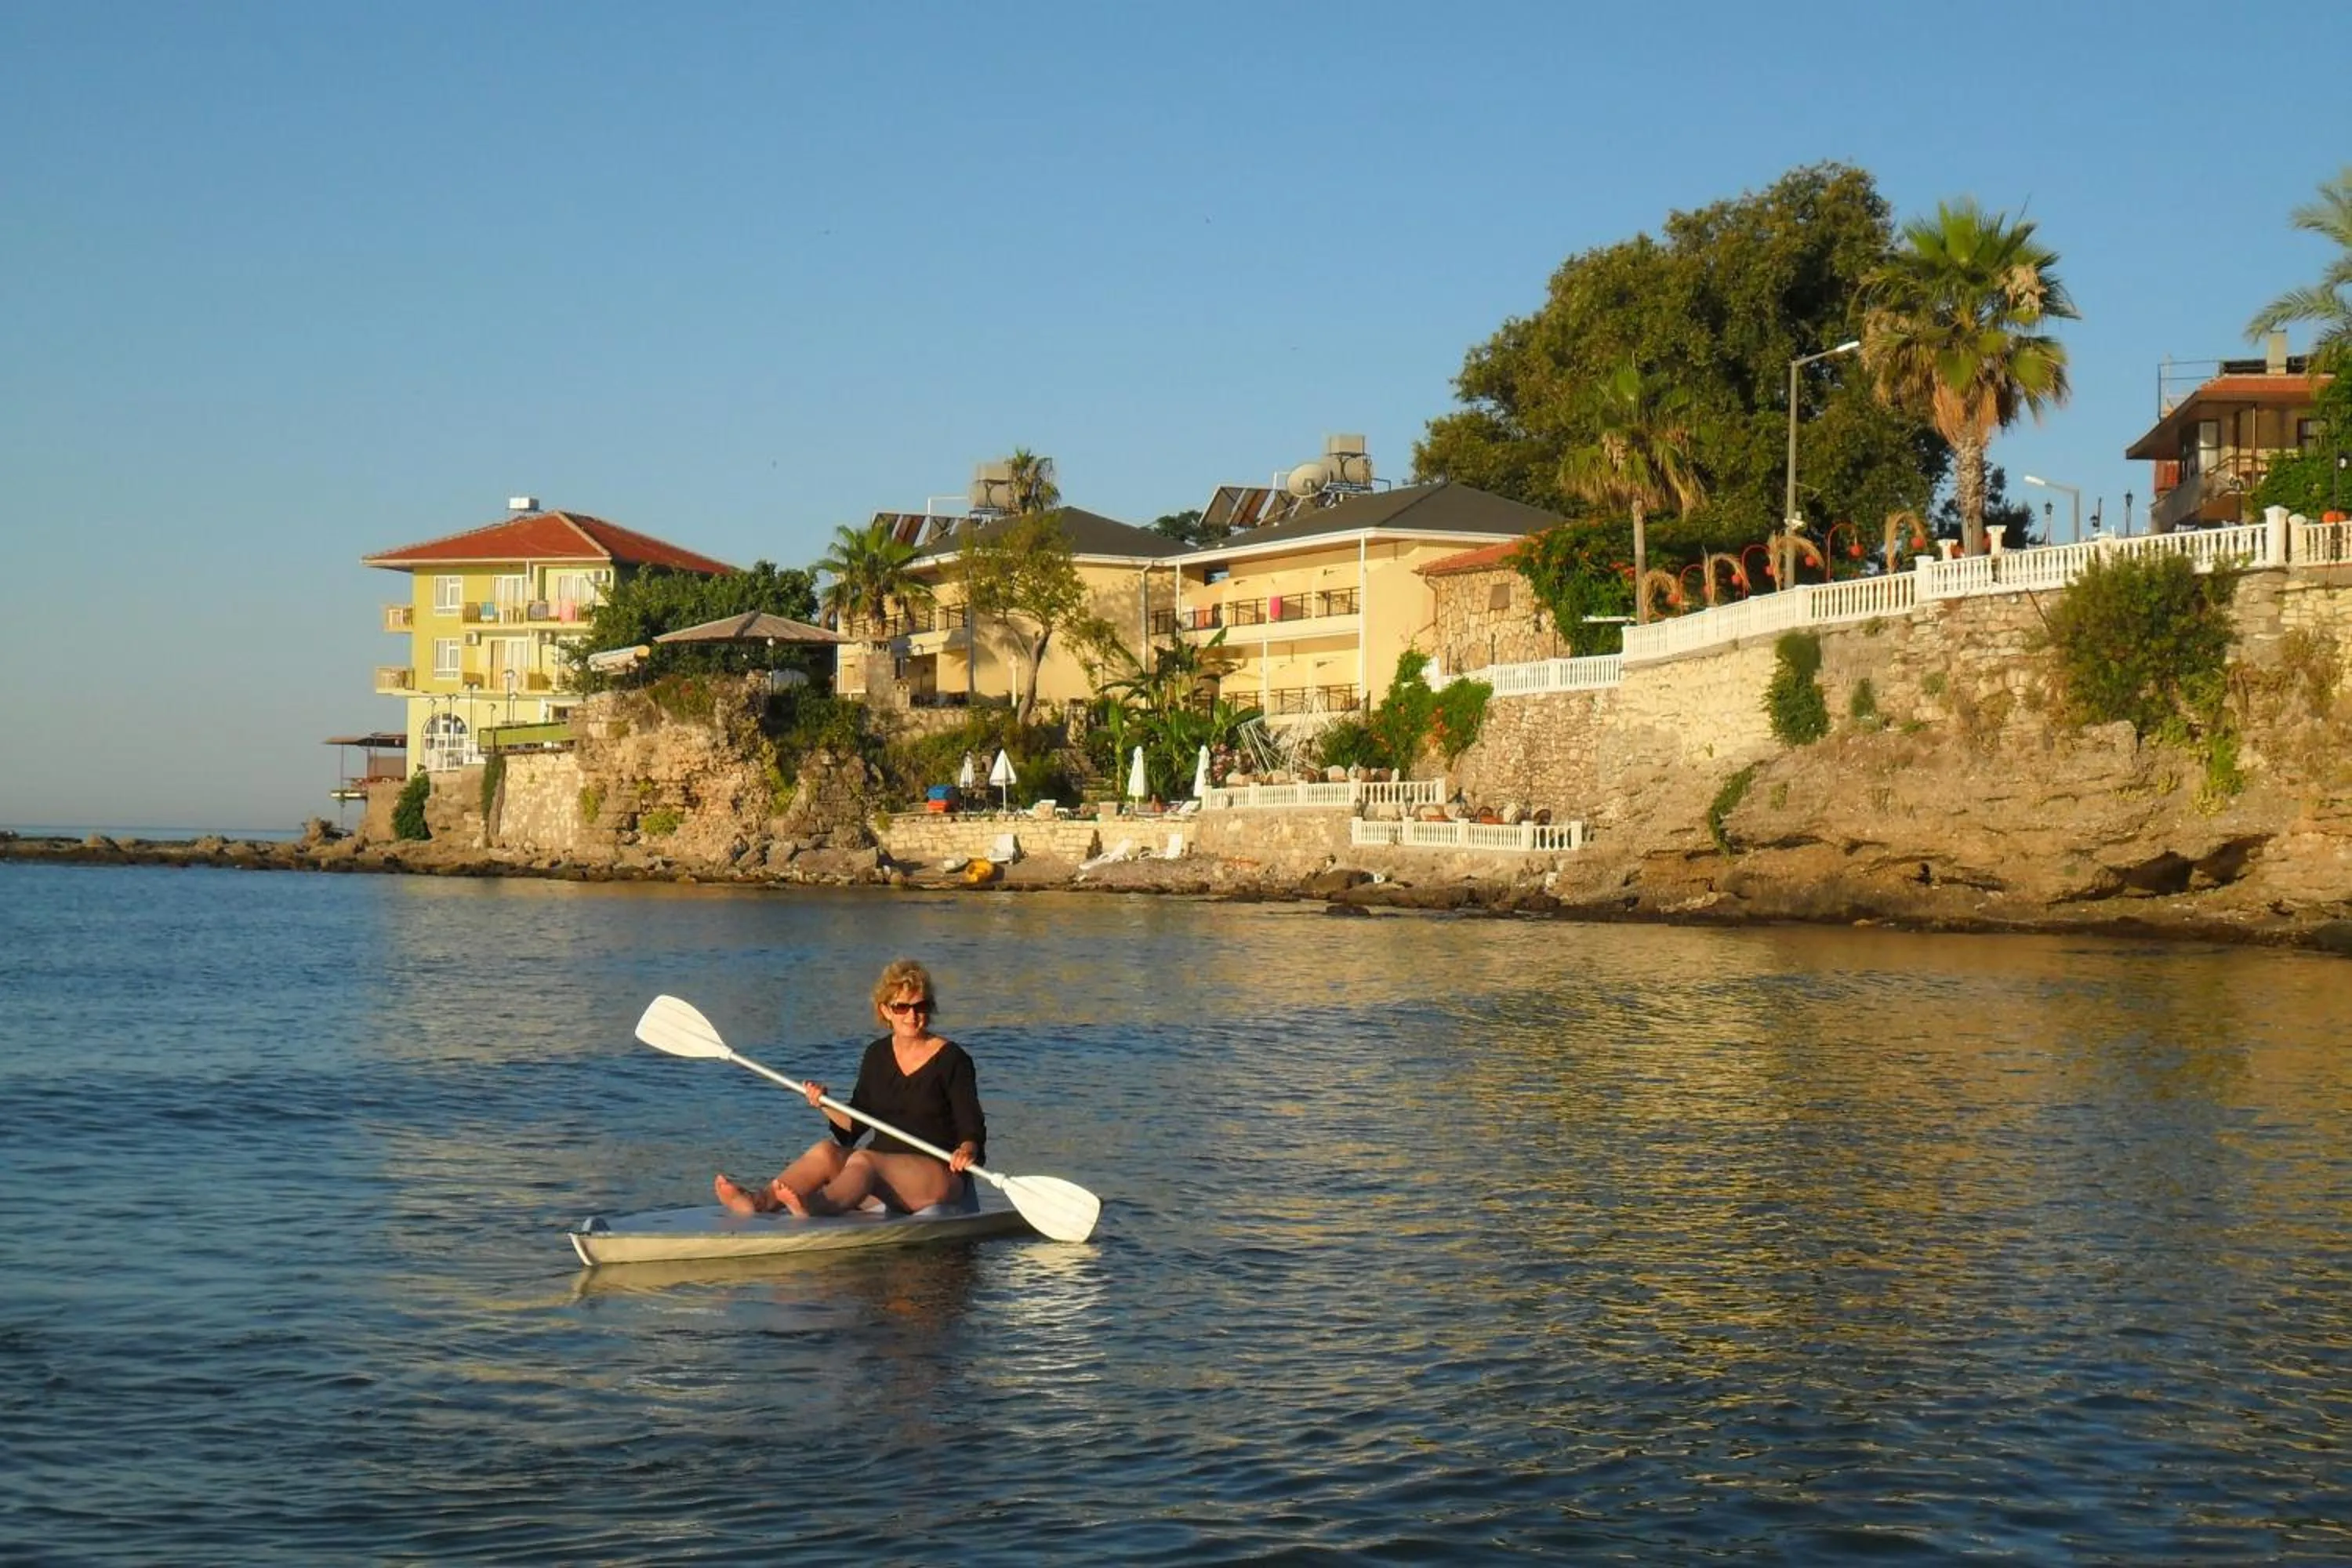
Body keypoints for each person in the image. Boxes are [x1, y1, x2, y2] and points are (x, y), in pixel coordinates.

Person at [713, 959, 985, 1218]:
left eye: (920, 1007)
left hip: (938, 1177)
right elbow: (855, 1123)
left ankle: (818, 1204)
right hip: (880, 1171)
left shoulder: (953, 1059)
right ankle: (760, 1201)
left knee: (865, 1161)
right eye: (902, 1007)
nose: (912, 1016)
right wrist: (824, 1103)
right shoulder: (876, 1055)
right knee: (826, 1152)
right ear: (886, 1011)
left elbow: (970, 1127)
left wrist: (967, 1150)